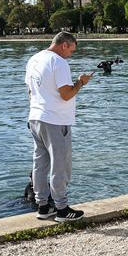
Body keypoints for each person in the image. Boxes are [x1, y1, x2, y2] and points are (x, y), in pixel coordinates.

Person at [25, 32, 93, 223]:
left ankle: (43, 206)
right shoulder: (59, 62)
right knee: (60, 164)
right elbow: (66, 94)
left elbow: (30, 91)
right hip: (55, 121)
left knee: (40, 163)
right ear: (64, 45)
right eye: (71, 50)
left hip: (36, 117)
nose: (70, 54)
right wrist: (81, 82)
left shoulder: (34, 59)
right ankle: (62, 209)